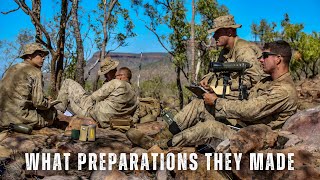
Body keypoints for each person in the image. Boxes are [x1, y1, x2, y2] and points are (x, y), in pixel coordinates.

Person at [127, 40, 298, 150]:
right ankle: (164, 134)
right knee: (200, 104)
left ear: (278, 59)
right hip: (243, 124)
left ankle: (160, 145)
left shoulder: (283, 90)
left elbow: (251, 110)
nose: (260, 59)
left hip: (253, 136)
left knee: (209, 127)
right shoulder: (267, 81)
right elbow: (244, 98)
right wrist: (215, 94)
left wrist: (217, 102)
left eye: (265, 56)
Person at [55, 58, 138, 128]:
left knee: (68, 82)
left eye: (106, 74)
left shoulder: (115, 83)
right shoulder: (135, 96)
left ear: (120, 76)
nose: (105, 76)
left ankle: (57, 113)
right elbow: (134, 118)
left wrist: (81, 98)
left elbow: (93, 97)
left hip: (92, 115)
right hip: (109, 122)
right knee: (72, 98)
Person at [200, 15, 265, 98]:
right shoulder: (225, 51)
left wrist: (227, 87)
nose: (214, 36)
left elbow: (256, 79)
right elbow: (217, 70)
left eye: (217, 33)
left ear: (229, 32)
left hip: (252, 94)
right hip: (237, 92)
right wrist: (207, 79)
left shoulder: (243, 49)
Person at [0, 43, 56, 130]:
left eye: (44, 55)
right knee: (53, 113)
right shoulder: (35, 72)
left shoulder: (11, 69)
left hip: (2, 118)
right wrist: (49, 103)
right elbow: (39, 103)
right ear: (29, 56)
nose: (44, 58)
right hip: (20, 118)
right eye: (40, 55)